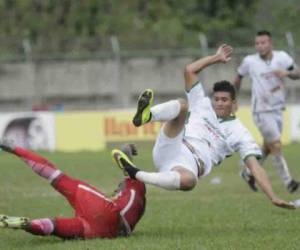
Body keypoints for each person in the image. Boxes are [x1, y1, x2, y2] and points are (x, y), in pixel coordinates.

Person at [112, 44, 294, 209]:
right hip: (173, 145)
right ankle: (146, 116)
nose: (219, 104)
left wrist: (273, 197)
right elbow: (190, 70)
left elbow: (255, 167)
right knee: (183, 105)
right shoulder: (203, 104)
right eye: (217, 99)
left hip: (189, 165)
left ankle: (135, 173)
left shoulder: (240, 133)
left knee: (190, 181)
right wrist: (216, 58)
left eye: (224, 100)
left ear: (234, 103)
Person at [0, 142, 146, 239]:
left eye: (118, 188)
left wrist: (125, 154)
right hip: (98, 230)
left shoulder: (132, 191)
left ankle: (13, 147)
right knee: (54, 226)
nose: (117, 189)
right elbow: (132, 175)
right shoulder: (133, 196)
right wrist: (127, 158)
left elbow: (132, 174)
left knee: (56, 177)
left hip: (105, 216)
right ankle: (27, 224)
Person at [234, 30, 300, 193]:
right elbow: (238, 76)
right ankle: (288, 182)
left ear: (270, 43)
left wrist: (287, 73)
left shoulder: (282, 57)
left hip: (277, 109)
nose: (260, 46)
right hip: (261, 111)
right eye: (257, 43)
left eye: (263, 43)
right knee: (276, 145)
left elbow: (297, 73)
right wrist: (233, 98)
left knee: (268, 147)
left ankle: (248, 173)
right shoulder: (250, 61)